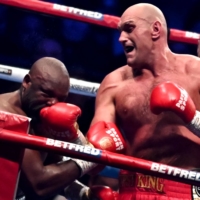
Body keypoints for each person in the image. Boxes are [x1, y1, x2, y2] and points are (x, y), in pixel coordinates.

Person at [82, 3, 200, 200]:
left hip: (189, 187)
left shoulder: (196, 72)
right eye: (120, 32)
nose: (121, 38)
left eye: (129, 28)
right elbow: (96, 155)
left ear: (155, 30)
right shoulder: (114, 84)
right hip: (135, 188)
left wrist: (190, 116)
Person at [0, 56, 96, 200]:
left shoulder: (42, 114)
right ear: (27, 82)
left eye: (61, 99)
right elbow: (38, 186)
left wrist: (82, 192)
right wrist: (90, 157)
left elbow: (54, 165)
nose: (53, 103)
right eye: (47, 93)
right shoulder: (6, 115)